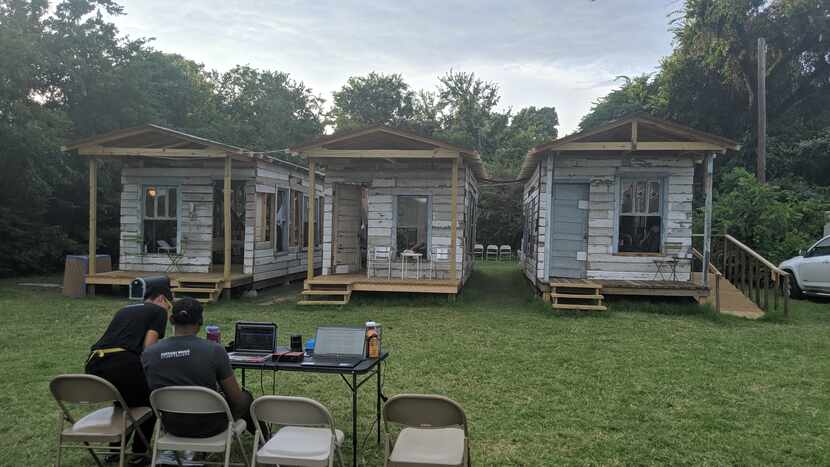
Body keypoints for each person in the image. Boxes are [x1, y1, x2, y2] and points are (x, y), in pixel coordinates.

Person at [85, 277, 173, 466]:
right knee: (149, 403)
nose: (169, 307)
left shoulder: (126, 309)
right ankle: (139, 454)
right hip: (122, 363)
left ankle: (114, 452)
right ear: (160, 299)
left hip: (95, 362)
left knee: (124, 401)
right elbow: (148, 348)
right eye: (169, 303)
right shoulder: (158, 311)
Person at [141, 298, 255, 438]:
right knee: (245, 397)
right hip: (211, 426)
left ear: (171, 320)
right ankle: (264, 441)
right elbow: (236, 398)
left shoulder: (149, 353)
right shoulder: (214, 350)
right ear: (200, 321)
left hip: (172, 427)